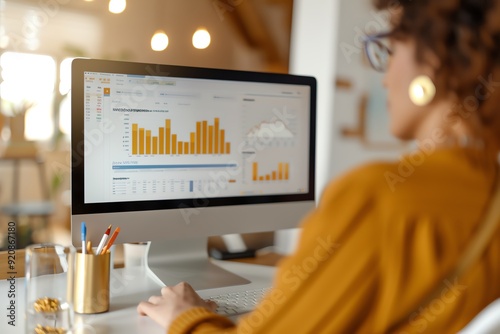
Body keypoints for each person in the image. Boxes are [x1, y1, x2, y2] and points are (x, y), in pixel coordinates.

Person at [137, 0, 500, 332]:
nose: (386, 76)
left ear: (433, 60)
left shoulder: (381, 201)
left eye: (390, 49)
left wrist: (185, 316)